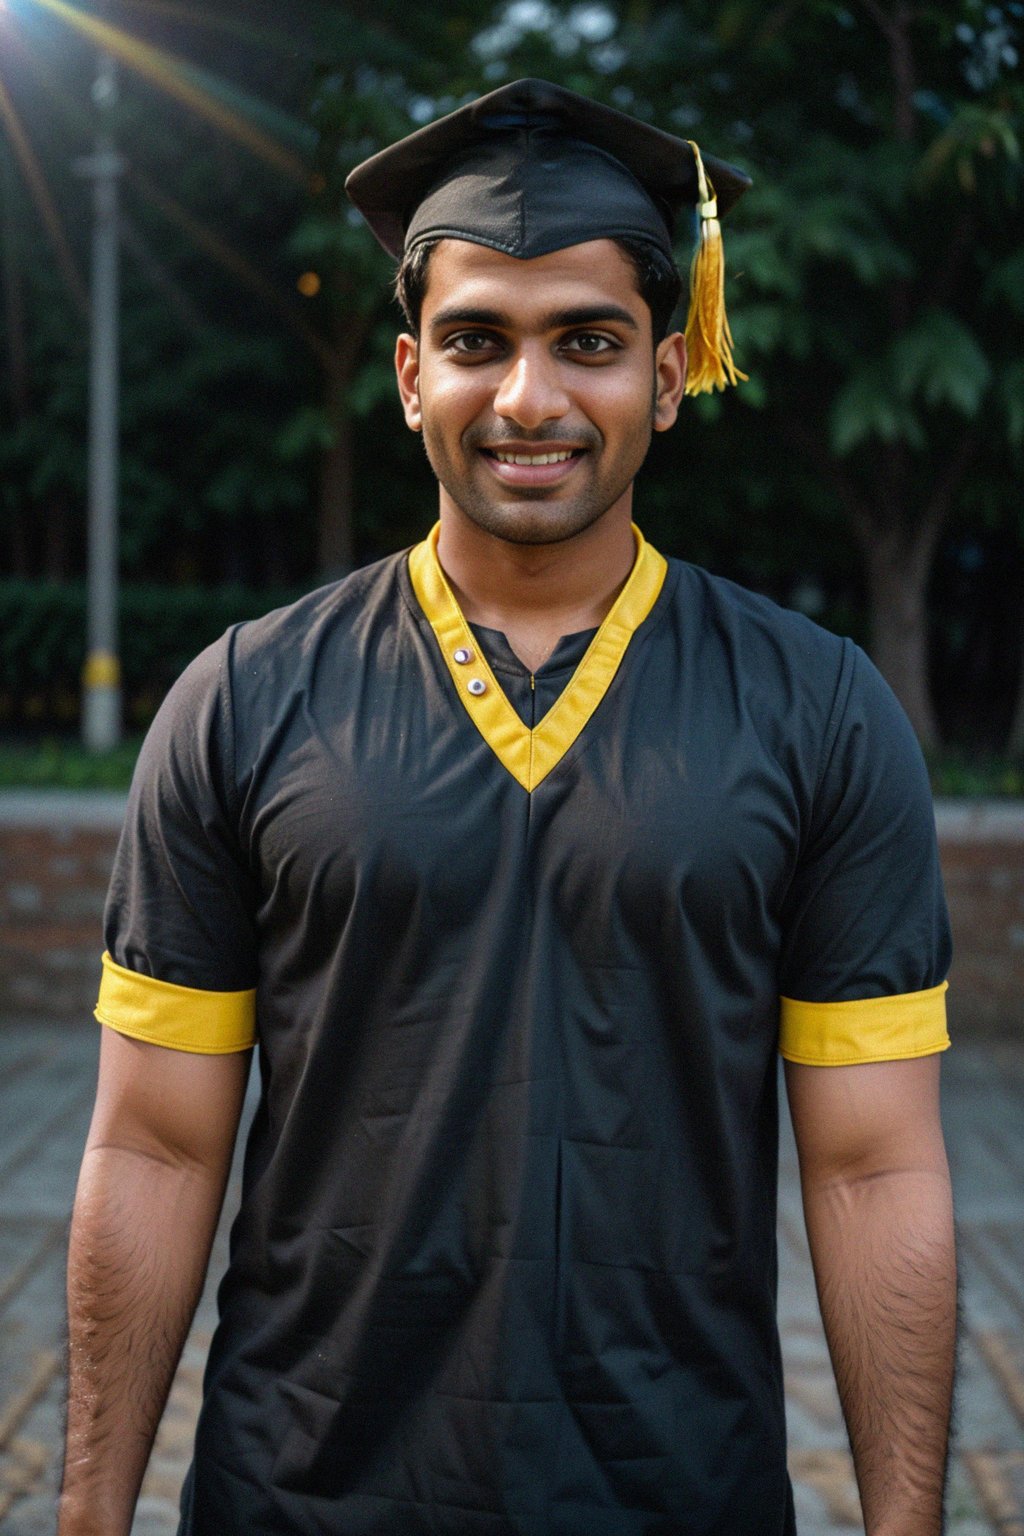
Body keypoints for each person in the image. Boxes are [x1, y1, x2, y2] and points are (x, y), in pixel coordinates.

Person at [59, 79, 956, 1536]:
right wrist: (91, 1518)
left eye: (588, 344)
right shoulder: (241, 701)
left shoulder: (820, 713)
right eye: (478, 341)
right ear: (412, 376)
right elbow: (153, 1146)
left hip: (681, 1495)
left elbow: (875, 1165)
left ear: (670, 376)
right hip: (300, 1497)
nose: (530, 398)